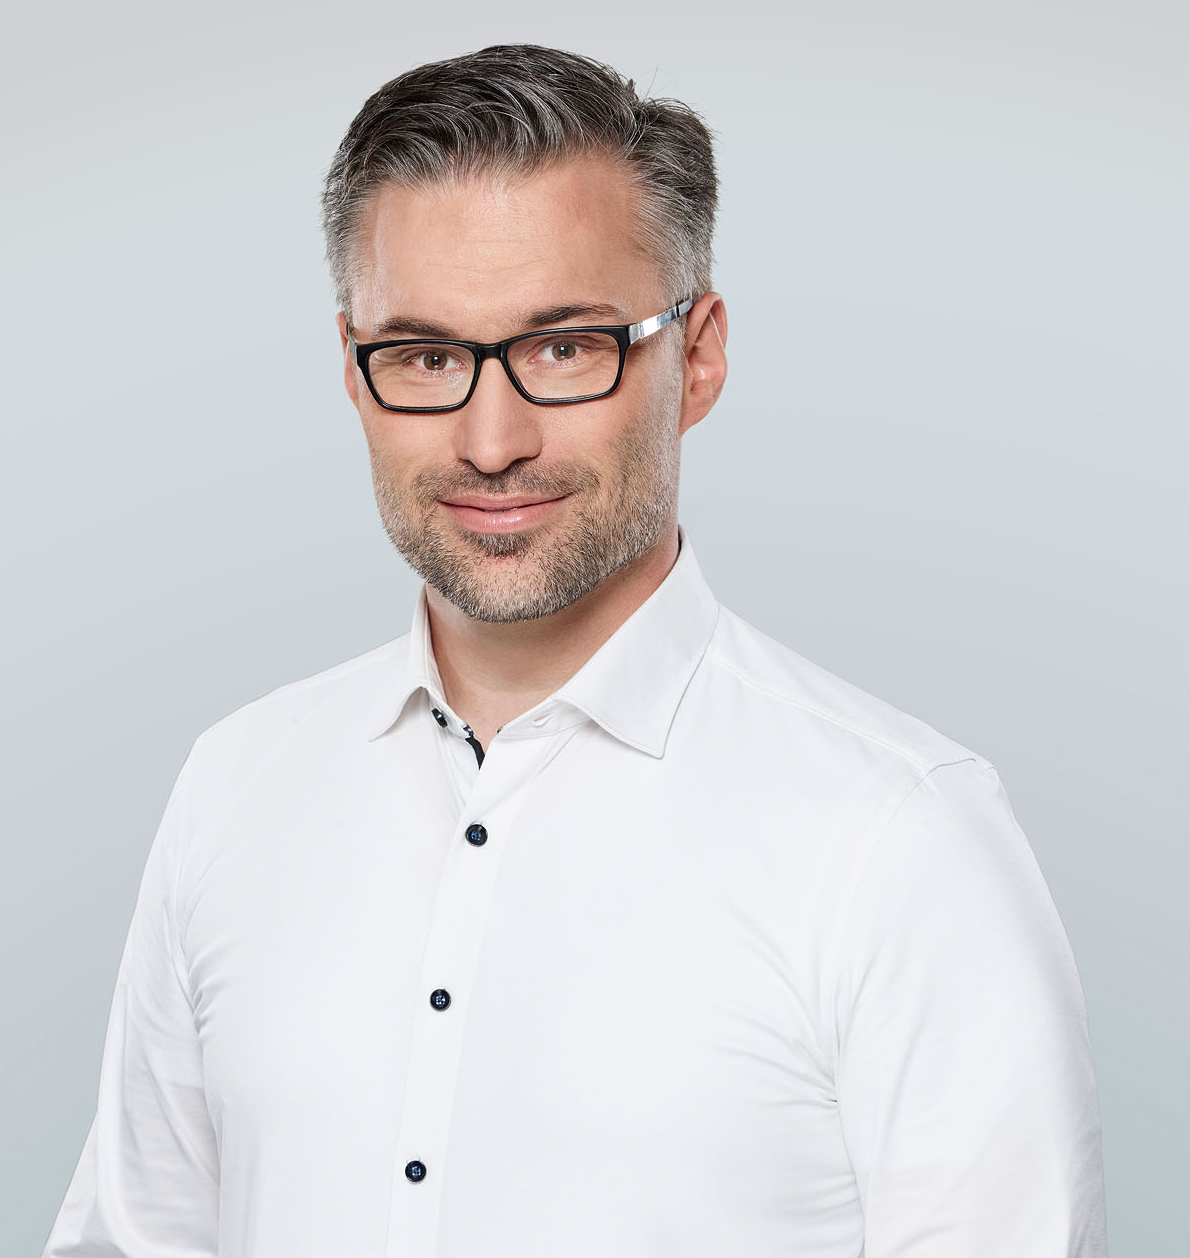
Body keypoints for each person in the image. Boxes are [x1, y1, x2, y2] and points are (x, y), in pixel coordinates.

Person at [42, 43, 1108, 1258]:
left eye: (563, 348)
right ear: (352, 370)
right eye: (427, 357)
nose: (491, 440)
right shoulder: (234, 786)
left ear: (695, 356)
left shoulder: (900, 841)